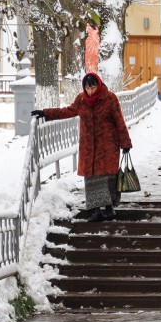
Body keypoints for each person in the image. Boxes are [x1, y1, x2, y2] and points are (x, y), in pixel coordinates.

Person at [31, 72, 132, 222]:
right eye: (88, 88)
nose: (90, 90)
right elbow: (67, 111)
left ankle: (109, 209)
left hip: (107, 147)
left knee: (107, 178)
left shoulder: (110, 98)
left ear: (98, 85)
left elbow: (119, 121)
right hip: (89, 147)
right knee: (91, 179)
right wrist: (46, 113)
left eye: (93, 87)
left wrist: (125, 143)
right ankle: (96, 211)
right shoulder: (81, 100)